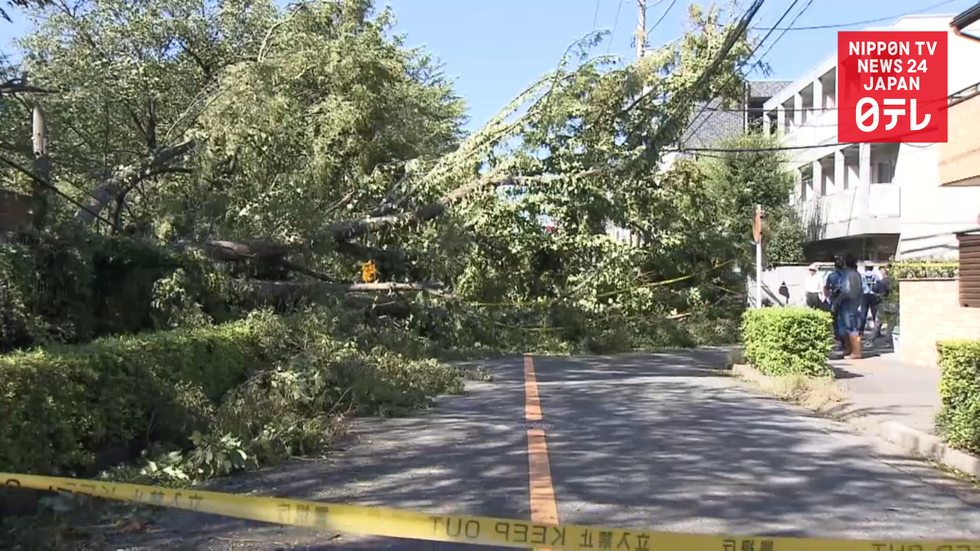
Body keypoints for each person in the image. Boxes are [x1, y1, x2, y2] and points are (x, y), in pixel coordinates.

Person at [838, 253, 865, 359]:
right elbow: (861, 290)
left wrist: (838, 300)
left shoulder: (847, 274)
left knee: (851, 327)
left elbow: (846, 290)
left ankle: (856, 352)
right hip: (855, 302)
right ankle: (850, 349)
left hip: (847, 302)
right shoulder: (857, 274)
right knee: (849, 327)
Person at [824, 256, 847, 352]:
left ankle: (840, 340)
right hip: (846, 299)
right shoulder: (847, 275)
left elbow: (827, 287)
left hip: (835, 300)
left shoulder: (831, 276)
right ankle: (846, 341)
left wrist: (828, 296)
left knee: (836, 320)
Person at [859, 263, 883, 334]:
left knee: (863, 313)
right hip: (873, 295)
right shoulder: (876, 275)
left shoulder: (862, 275)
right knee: (875, 313)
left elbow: (859, 285)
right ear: (872, 268)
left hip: (864, 295)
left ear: (865, 268)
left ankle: (861, 331)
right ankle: (877, 331)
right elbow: (878, 285)